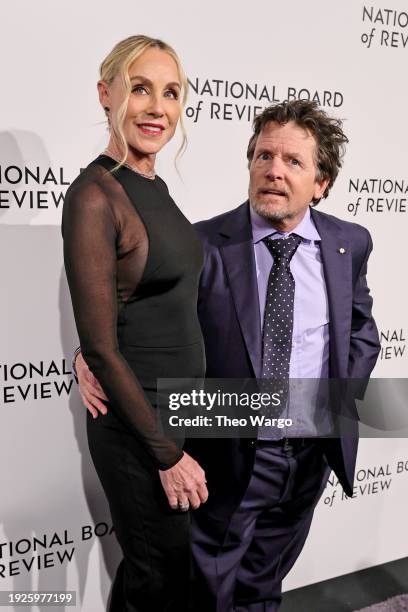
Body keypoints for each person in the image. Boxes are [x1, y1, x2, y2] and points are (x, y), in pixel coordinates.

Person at [75, 100, 380, 611]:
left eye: (292, 162)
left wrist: (335, 402)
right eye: (263, 156)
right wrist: (86, 353)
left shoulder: (350, 242)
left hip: (310, 454)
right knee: (207, 590)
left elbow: (361, 333)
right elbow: (137, 319)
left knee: (263, 584)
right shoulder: (203, 245)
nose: (273, 172)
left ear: (321, 183)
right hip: (230, 453)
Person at [62, 35, 208, 612]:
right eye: (140, 88)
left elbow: (137, 300)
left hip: (178, 407)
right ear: (106, 94)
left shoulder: (153, 186)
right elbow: (102, 345)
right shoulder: (94, 195)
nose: (157, 108)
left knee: (159, 577)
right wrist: (167, 456)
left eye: (170, 93)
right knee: (158, 578)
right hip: (139, 428)